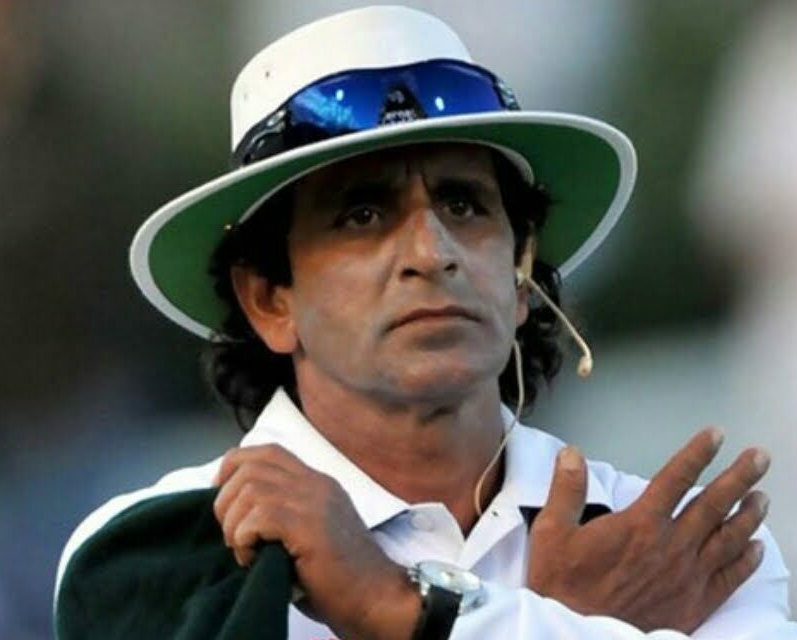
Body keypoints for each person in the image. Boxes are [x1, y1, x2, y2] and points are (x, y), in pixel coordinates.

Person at [54, 6, 795, 639]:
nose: (431, 251)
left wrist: (393, 607)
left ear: (521, 270)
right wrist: (569, 621)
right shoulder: (162, 552)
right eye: (362, 214)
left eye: (464, 205)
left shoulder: (684, 539)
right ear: (269, 299)